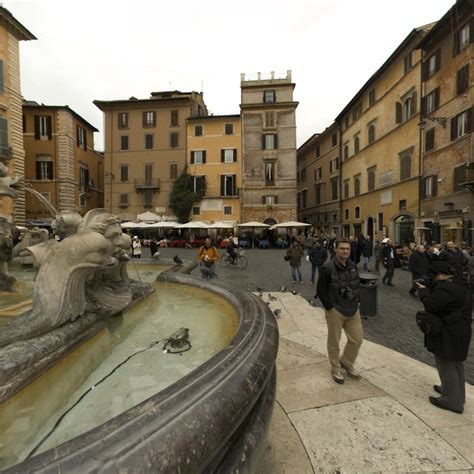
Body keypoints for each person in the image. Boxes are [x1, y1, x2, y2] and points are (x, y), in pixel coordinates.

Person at [417, 261, 472, 414]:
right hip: (461, 329)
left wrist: (423, 293)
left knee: (446, 363)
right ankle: (456, 393)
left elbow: (432, 306)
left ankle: (452, 401)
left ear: (438, 275)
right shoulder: (461, 285)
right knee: (456, 364)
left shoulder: (445, 289)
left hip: (449, 332)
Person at [317, 237, 363, 384]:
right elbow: (321, 290)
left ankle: (347, 362)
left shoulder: (353, 265)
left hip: (353, 309)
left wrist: (358, 301)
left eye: (347, 249)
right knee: (334, 342)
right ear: (336, 249)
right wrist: (330, 308)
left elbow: (356, 284)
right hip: (336, 310)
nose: (345, 251)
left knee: (357, 339)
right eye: (342, 248)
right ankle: (335, 367)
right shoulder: (327, 268)